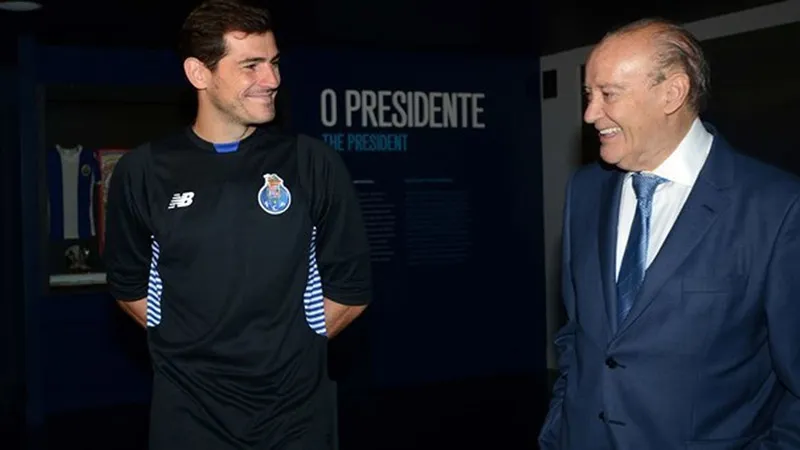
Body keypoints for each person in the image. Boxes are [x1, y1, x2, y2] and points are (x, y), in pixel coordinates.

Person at [103, 0, 372, 448]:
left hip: (296, 416)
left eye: (274, 63)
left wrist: (289, 352)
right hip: (188, 415)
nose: (272, 80)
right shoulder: (144, 170)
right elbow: (129, 284)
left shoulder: (311, 163)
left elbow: (351, 289)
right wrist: (192, 347)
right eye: (251, 65)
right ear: (199, 74)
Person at [539, 18, 800, 449]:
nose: (589, 114)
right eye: (589, 95)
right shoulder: (585, 191)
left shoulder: (776, 208)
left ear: (672, 93)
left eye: (609, 94)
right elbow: (578, 338)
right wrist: (557, 432)